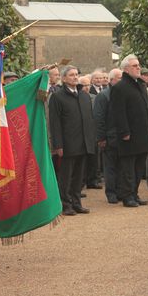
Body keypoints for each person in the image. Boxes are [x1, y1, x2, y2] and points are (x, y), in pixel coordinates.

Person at [49, 65, 96, 215]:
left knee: (79, 176)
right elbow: (54, 123)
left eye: (76, 74)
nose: (75, 77)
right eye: (71, 75)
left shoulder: (84, 95)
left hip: (84, 143)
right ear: (63, 79)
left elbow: (89, 120)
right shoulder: (57, 97)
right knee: (65, 177)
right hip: (67, 144)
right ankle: (65, 204)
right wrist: (58, 145)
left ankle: (77, 203)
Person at [110, 55, 148, 207]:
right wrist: (124, 132)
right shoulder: (119, 87)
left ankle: (134, 194)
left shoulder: (140, 85)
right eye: (134, 65)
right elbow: (118, 112)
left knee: (138, 168)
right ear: (126, 69)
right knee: (128, 169)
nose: (138, 67)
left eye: (138, 65)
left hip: (143, 135)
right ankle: (127, 196)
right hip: (129, 136)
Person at [93, 68, 123, 204]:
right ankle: (111, 193)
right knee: (110, 167)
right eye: (119, 78)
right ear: (111, 80)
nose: (122, 80)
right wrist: (101, 138)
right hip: (109, 137)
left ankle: (121, 191)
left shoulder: (124, 93)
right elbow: (99, 119)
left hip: (123, 137)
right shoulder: (103, 96)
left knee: (123, 167)